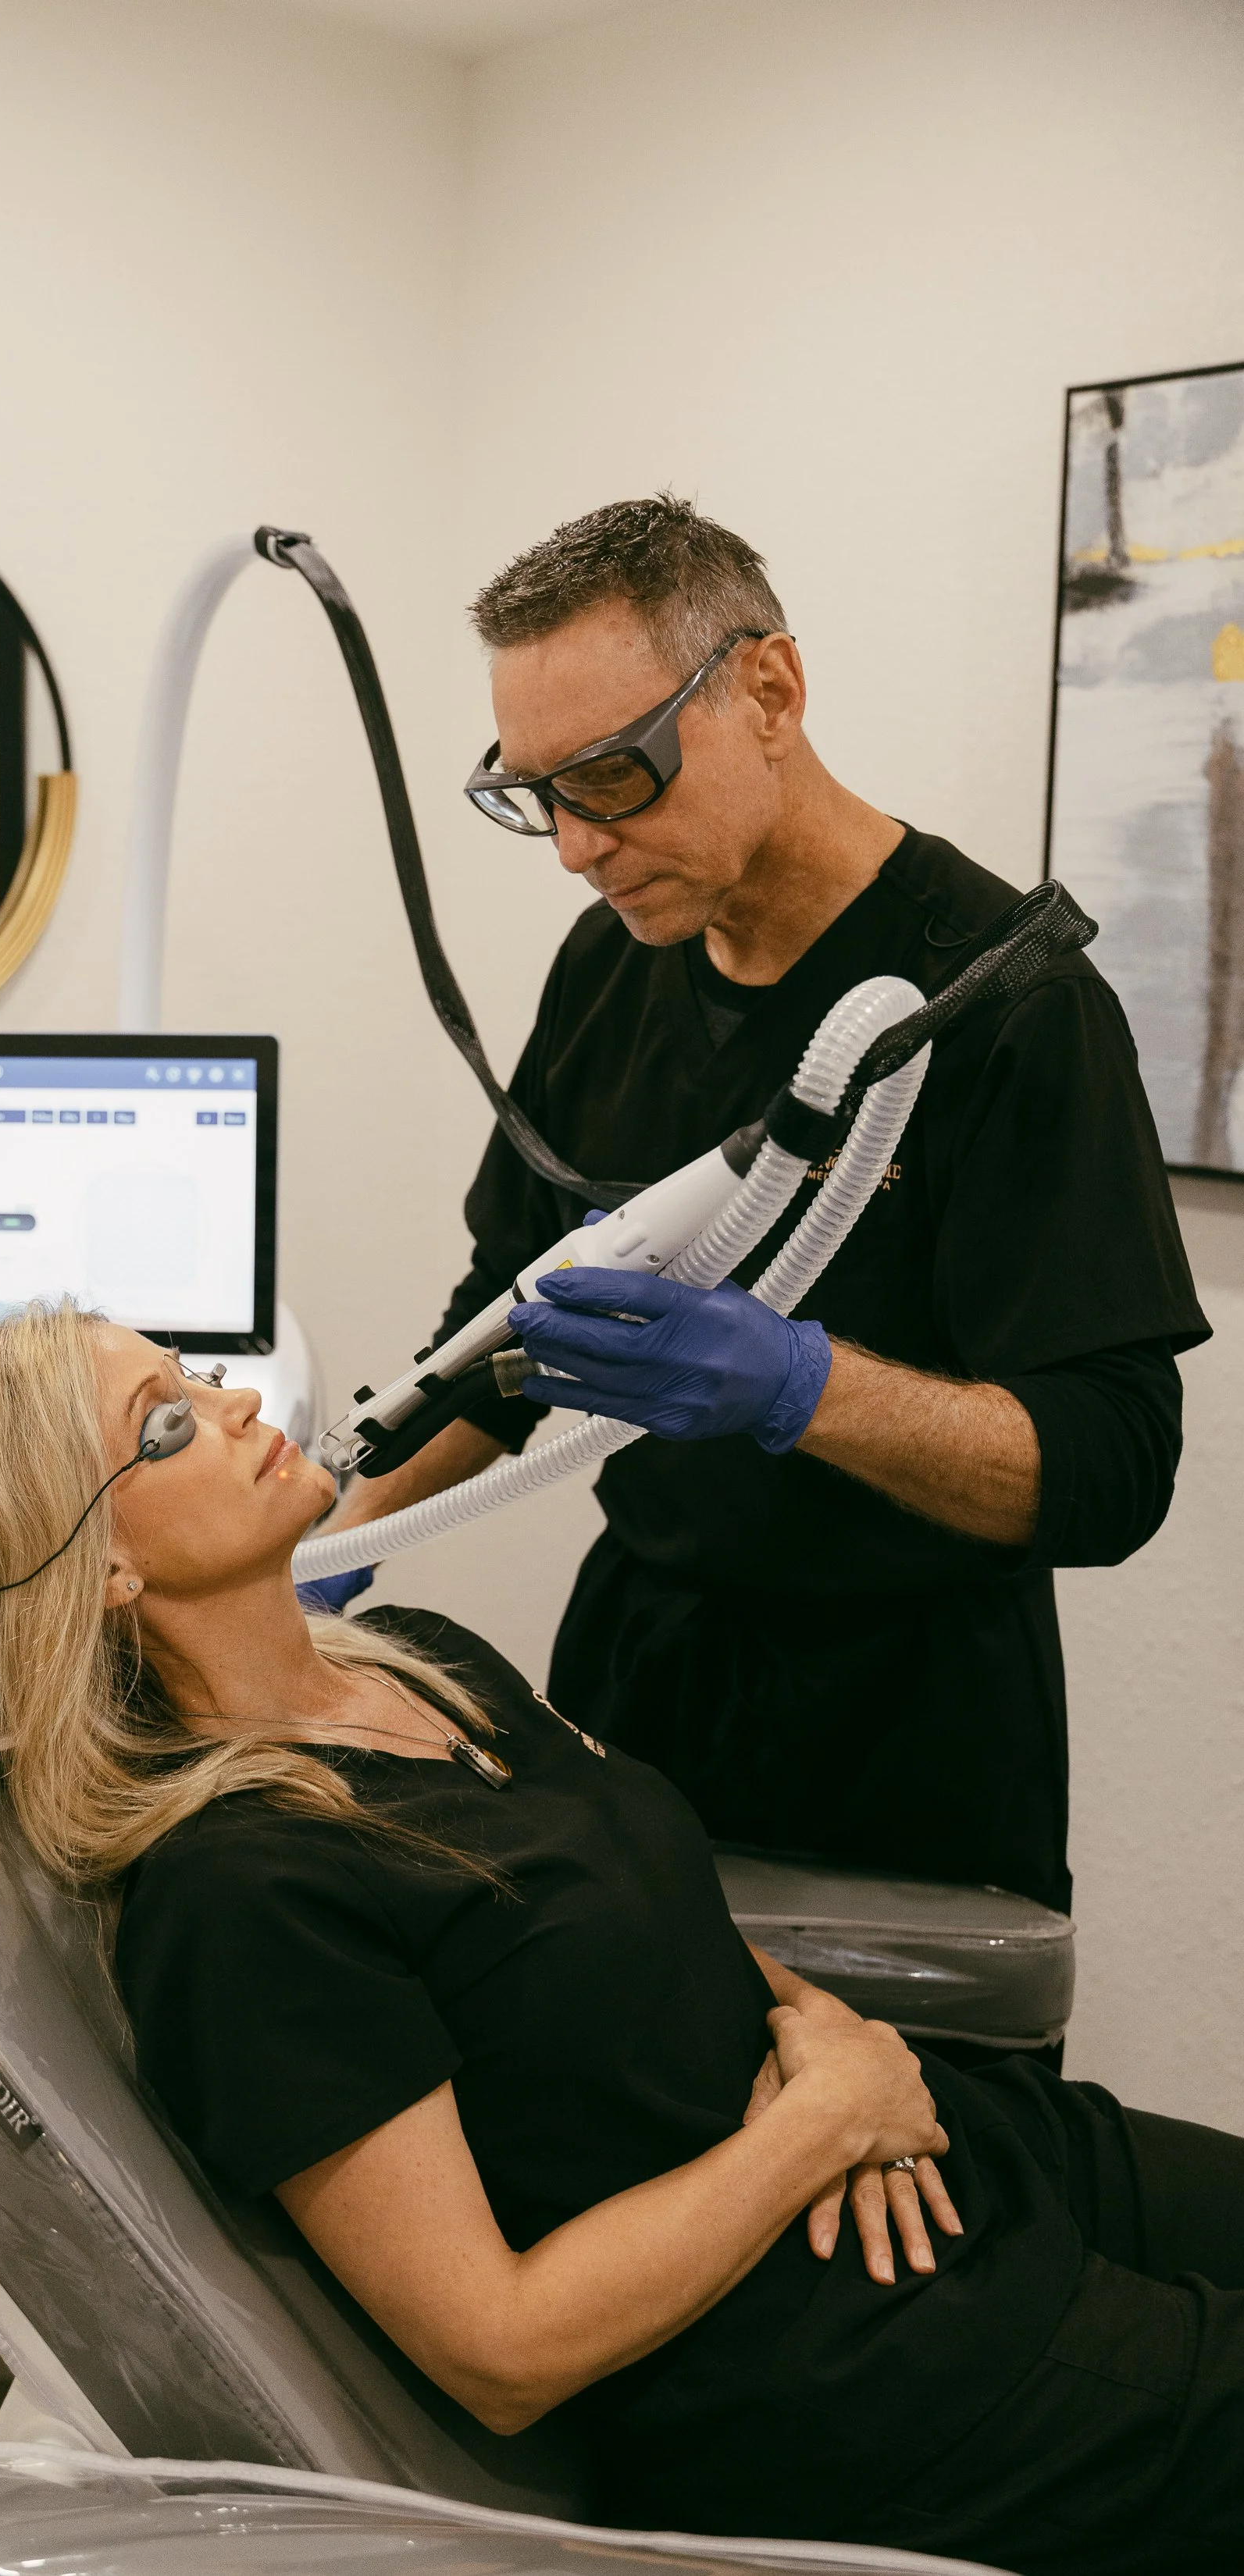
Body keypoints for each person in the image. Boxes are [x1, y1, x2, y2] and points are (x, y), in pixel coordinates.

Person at [0, 1303, 1244, 2576]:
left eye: (198, 1375)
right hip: (848, 2364)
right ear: (104, 1564)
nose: (234, 1404)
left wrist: (840, 2046)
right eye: (165, 1422)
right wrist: (819, 2127)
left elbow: (657, 1919)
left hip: (950, 2146)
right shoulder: (238, 1891)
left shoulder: (422, 1660)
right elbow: (503, 2349)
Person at [323, 492, 1210, 1927]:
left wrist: (801, 1386)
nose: (575, 848)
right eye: (534, 793)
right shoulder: (608, 966)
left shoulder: (1006, 1004)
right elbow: (506, 1313)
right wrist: (329, 1541)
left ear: (771, 693)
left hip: (910, 1724)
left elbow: (1112, 1468)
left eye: (612, 777)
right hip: (640, 1674)